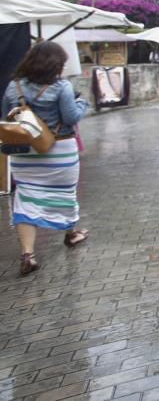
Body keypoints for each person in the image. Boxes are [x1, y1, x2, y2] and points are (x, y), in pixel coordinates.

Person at [2, 41, 90, 276]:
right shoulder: (62, 87)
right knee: (64, 195)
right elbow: (70, 118)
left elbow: (6, 120)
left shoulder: (14, 87)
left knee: (25, 198)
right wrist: (83, 103)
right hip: (59, 151)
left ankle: (28, 254)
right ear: (56, 65)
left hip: (25, 154)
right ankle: (71, 234)